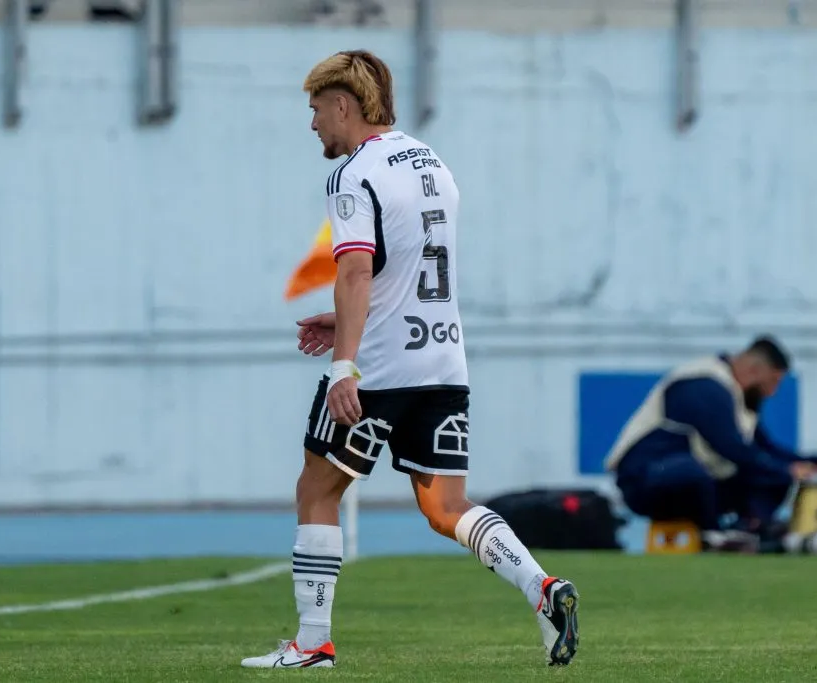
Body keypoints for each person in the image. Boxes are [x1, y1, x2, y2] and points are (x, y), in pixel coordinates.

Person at [241, 50, 579, 670]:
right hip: (443, 361)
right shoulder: (431, 161)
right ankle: (541, 587)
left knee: (317, 489)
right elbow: (406, 265)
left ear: (343, 104)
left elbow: (356, 270)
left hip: (379, 368)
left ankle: (312, 643)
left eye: (316, 110)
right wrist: (347, 319)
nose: (313, 124)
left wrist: (344, 364)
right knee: (446, 508)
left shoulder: (353, 174)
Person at [604, 335, 817, 550]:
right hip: (644, 479)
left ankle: (750, 528)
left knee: (775, 476)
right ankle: (713, 535)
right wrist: (786, 468)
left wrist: (813, 463)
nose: (772, 393)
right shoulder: (703, 385)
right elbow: (732, 449)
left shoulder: (737, 396)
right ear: (754, 370)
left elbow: (763, 448)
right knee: (692, 471)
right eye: (773, 382)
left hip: (700, 481)